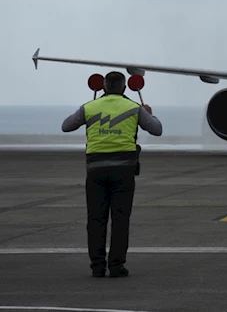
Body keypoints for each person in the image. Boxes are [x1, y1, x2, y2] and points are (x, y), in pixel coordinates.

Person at [61, 71, 163, 278]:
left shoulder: (89, 107)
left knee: (95, 220)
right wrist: (149, 114)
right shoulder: (134, 108)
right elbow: (157, 130)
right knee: (120, 220)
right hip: (124, 172)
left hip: (95, 171)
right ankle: (116, 265)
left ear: (104, 86)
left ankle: (97, 266)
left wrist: (88, 112)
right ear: (124, 88)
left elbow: (66, 126)